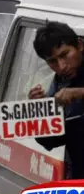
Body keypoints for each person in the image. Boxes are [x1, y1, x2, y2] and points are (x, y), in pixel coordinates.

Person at [28, 21, 84, 178]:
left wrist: (79, 93)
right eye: (52, 61)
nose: (61, 66)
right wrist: (40, 111)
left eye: (65, 55)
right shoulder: (61, 82)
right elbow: (51, 141)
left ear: (79, 45)